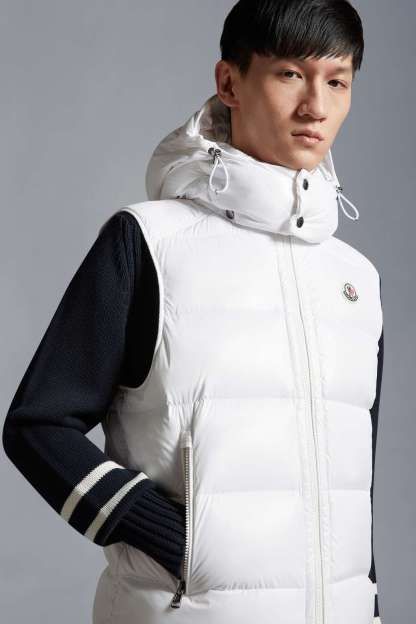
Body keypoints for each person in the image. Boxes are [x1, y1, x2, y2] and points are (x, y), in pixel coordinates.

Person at [2, 1, 384, 623]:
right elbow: (37, 425)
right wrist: (172, 536)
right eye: (290, 74)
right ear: (230, 82)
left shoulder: (356, 281)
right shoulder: (148, 244)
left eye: (337, 82)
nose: (316, 106)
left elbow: (352, 488)